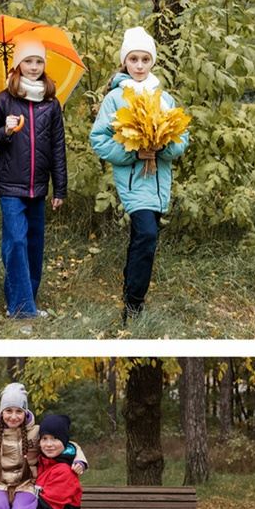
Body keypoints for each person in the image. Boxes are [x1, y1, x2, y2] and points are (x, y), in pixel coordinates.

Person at [88, 24, 190, 320]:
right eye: (133, 59)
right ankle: (134, 306)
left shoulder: (165, 98)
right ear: (125, 61)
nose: (139, 66)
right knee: (146, 235)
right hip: (133, 180)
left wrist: (159, 148)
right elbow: (99, 139)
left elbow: (180, 139)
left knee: (141, 239)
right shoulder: (114, 99)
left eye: (145, 59)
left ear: (152, 61)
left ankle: (129, 294)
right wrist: (134, 152)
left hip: (160, 182)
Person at [0, 44, 69, 321]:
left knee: (32, 244)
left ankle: (22, 299)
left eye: (38, 62)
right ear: (17, 66)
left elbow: (57, 148)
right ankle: (23, 310)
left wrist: (60, 188)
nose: (33, 67)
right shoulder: (4, 100)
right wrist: (3, 131)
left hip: (38, 187)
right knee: (16, 241)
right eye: (27, 61)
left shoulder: (51, 104)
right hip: (10, 186)